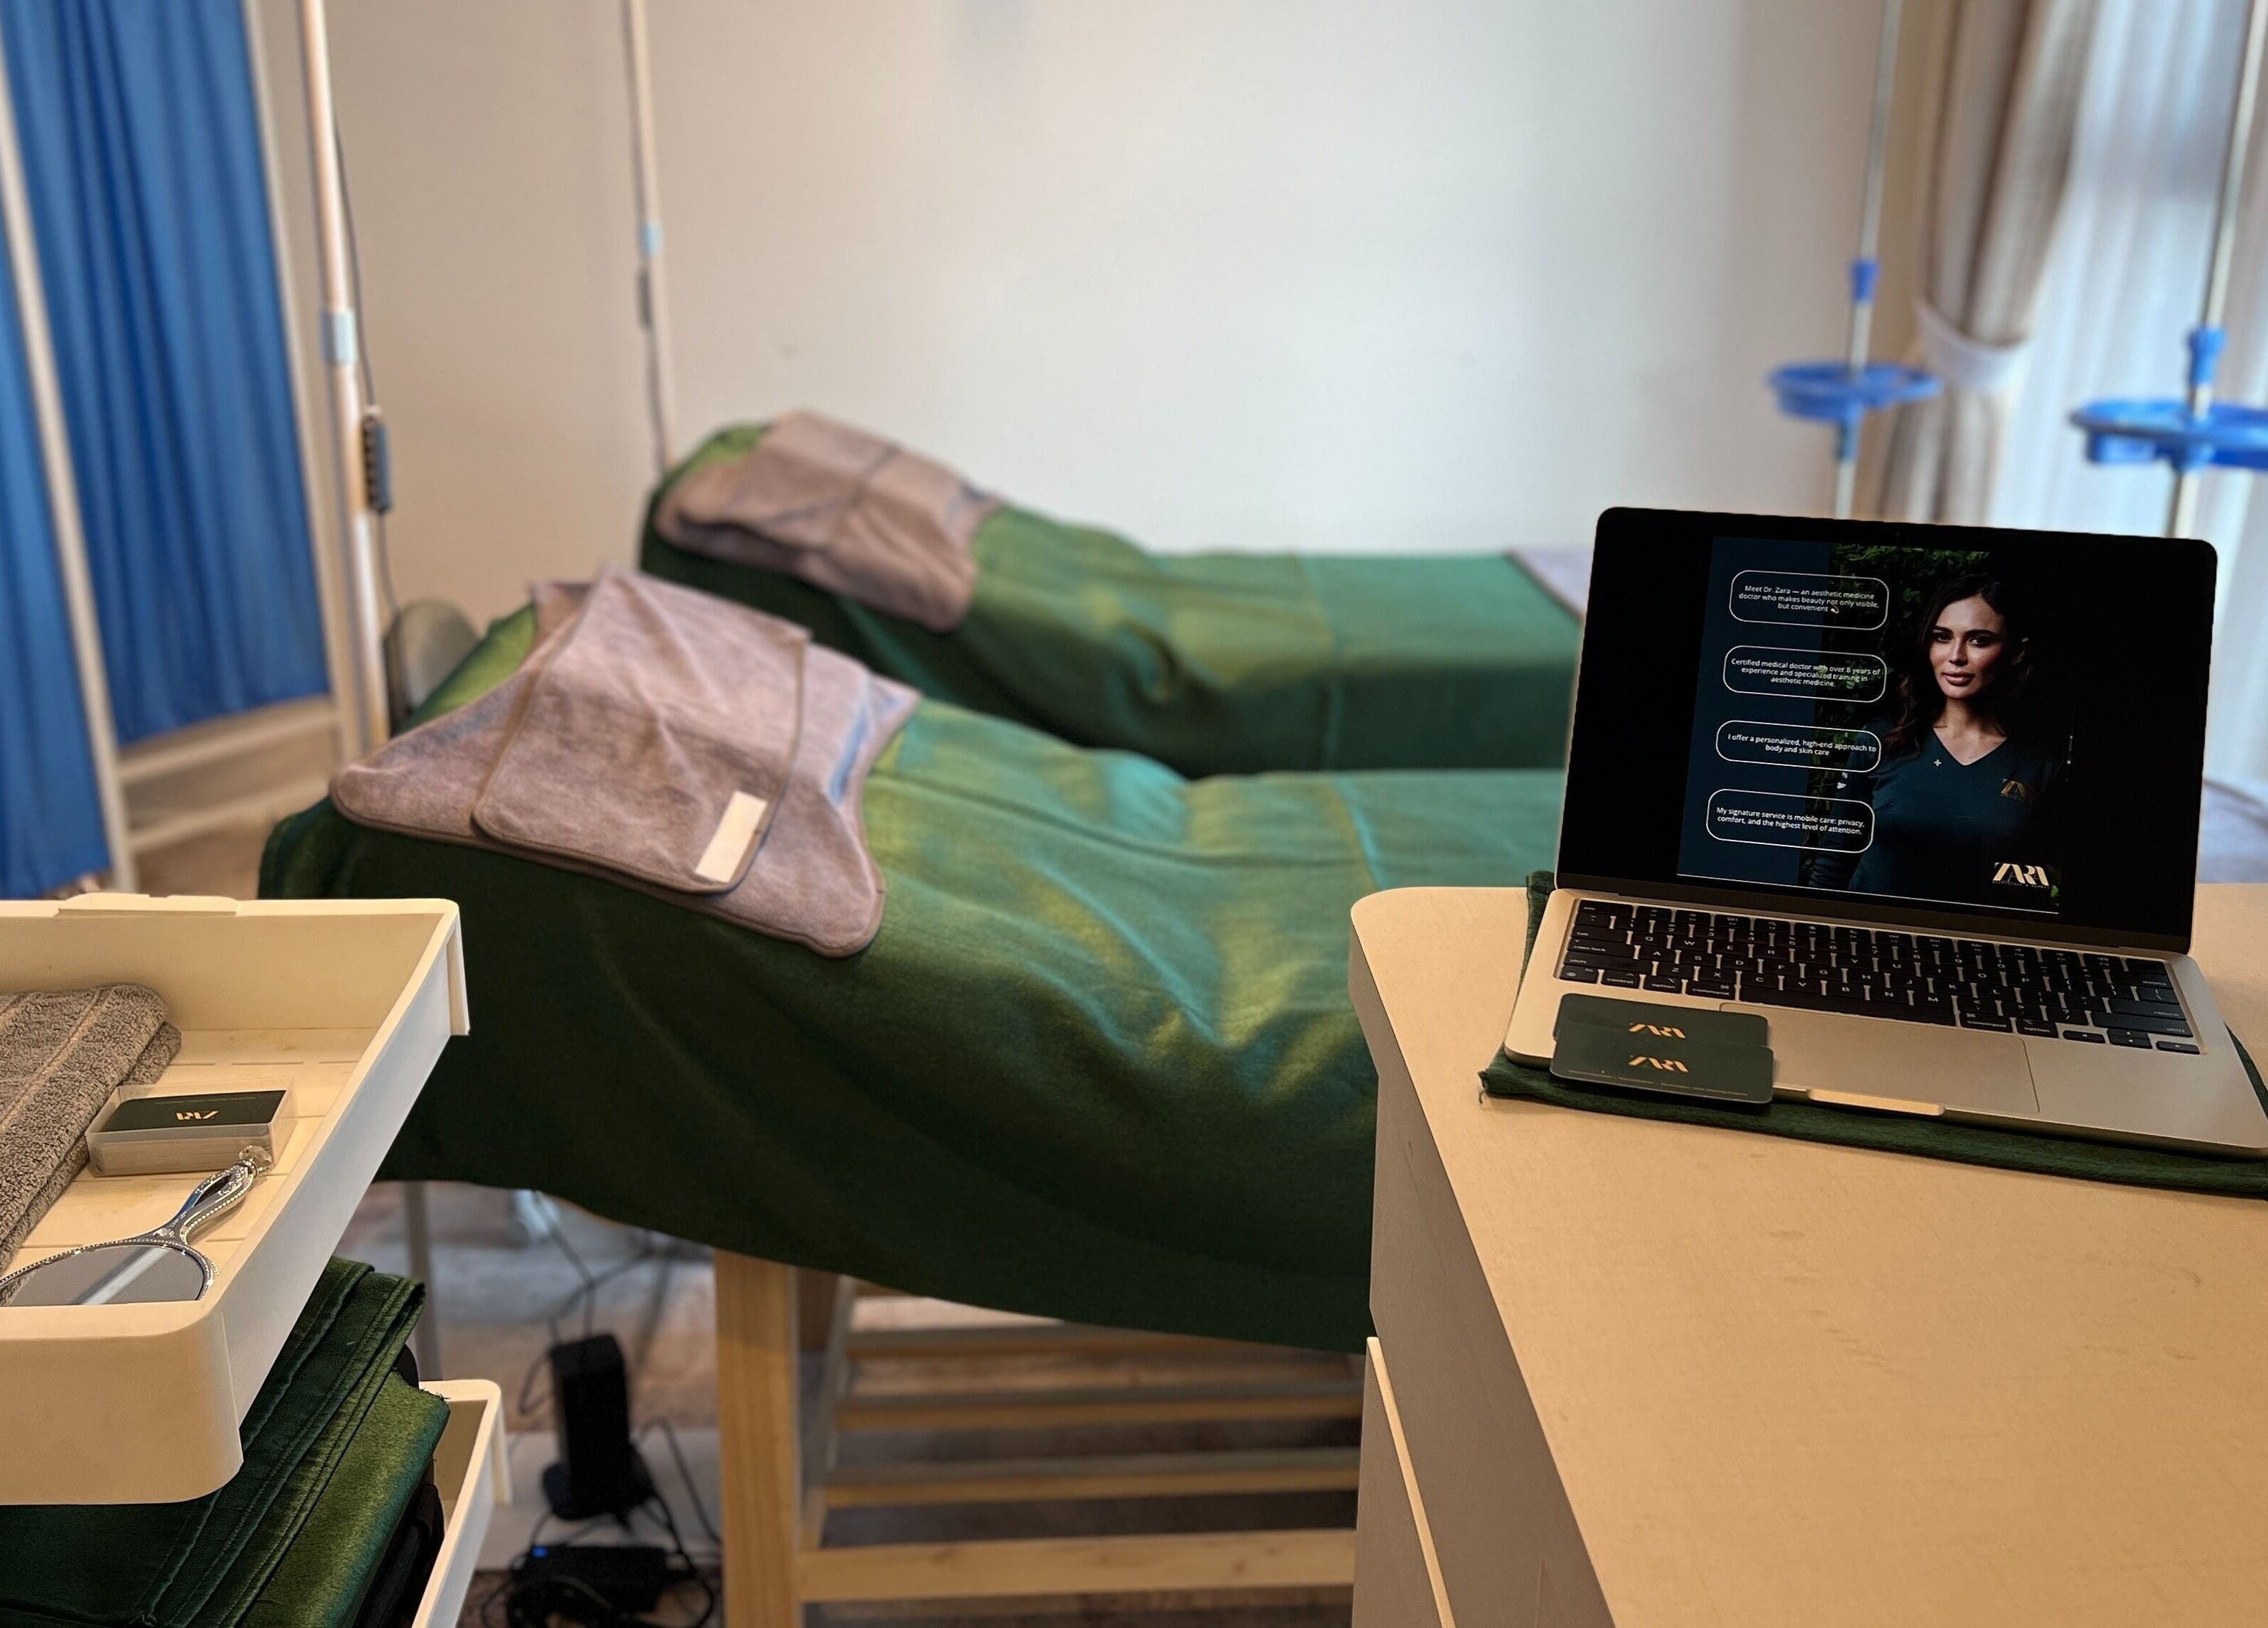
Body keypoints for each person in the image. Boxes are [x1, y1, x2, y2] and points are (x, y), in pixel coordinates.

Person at [1807, 574, 2060, 907]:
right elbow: (1833, 864)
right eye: (1942, 637)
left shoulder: (2038, 766)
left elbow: (2042, 887)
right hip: (1865, 938)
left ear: (2015, 652)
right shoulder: (1882, 741)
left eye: (1979, 641)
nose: (1956, 656)